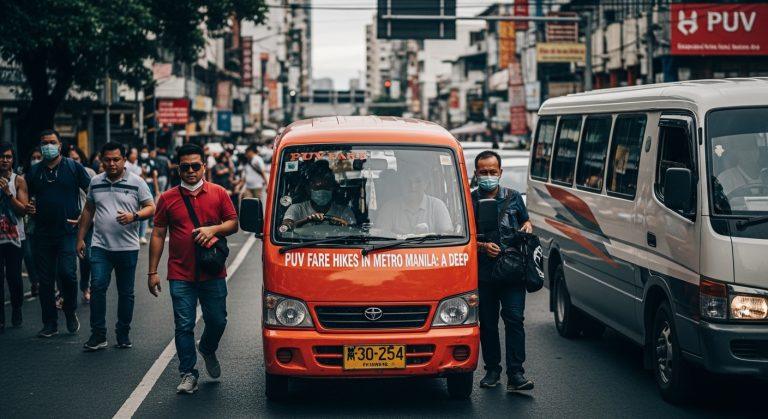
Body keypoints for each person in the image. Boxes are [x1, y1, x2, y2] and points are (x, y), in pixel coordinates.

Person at [148, 143, 238, 394]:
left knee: (217, 321)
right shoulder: (167, 198)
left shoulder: (219, 192)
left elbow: (233, 223)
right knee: (184, 325)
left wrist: (213, 230)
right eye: (185, 166)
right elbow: (157, 234)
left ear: (204, 167)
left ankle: (208, 348)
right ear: (178, 168)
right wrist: (152, 272)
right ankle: (188, 373)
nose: (190, 171)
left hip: (213, 272)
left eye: (195, 166)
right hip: (180, 274)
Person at [77, 142, 155, 351]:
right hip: (101, 246)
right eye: (107, 160)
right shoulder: (95, 181)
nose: (112, 164)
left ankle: (123, 333)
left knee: (126, 293)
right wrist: (80, 238)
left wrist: (134, 216)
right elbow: (88, 210)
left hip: (127, 247)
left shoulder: (137, 182)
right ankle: (98, 335)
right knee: (98, 287)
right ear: (101, 160)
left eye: (116, 159)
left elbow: (151, 207)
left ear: (124, 160)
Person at [472, 150, 534, 392]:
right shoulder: (469, 200)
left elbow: (526, 221)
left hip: (511, 272)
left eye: (492, 172)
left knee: (515, 320)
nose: (488, 176)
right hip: (483, 274)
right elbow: (462, 237)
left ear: (500, 173)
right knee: (487, 323)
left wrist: (527, 226)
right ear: (476, 174)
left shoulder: (514, 197)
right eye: (483, 172)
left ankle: (516, 373)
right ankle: (492, 370)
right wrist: (482, 246)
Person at [25, 129, 91, 338]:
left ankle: (70, 311)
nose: (48, 146)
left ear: (60, 145)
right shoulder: (34, 172)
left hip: (68, 232)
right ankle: (50, 323)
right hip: (42, 234)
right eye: (44, 143)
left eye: (52, 142)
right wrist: (28, 206)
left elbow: (92, 192)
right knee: (45, 281)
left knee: (67, 274)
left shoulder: (73, 167)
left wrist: (84, 216)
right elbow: (25, 197)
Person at [375, 165, 452, 236]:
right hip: (397, 250)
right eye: (408, 181)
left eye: (418, 181)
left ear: (426, 184)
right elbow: (380, 237)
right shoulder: (389, 208)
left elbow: (447, 235)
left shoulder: (437, 206)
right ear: (402, 184)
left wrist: (429, 236)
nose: (413, 186)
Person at [0, 142, 29, 331]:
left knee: (14, 278)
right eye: (1, 156)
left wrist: (8, 194)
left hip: (15, 238)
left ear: (13, 159)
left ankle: (17, 307)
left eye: (8, 157)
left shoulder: (18, 180)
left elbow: (23, 209)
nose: (4, 160)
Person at [281, 163, 356, 230]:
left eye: (326, 188)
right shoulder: (296, 209)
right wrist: (308, 219)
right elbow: (286, 226)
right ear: (308, 189)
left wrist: (340, 223)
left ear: (332, 189)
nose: (322, 192)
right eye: (317, 188)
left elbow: (353, 231)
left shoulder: (344, 211)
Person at [68, 145, 97, 303]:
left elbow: (93, 198)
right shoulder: (62, 172)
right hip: (68, 222)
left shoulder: (89, 173)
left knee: (87, 257)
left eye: (76, 159)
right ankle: (64, 293)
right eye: (70, 159)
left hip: (87, 222)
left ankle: (86, 286)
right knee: (67, 260)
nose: (74, 162)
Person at [137, 146, 158, 245]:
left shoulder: (151, 162)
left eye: (146, 151)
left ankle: (142, 234)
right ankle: (138, 234)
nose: (144, 153)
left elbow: (154, 176)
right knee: (138, 209)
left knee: (148, 208)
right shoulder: (137, 162)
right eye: (143, 151)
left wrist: (156, 189)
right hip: (138, 186)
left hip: (149, 186)